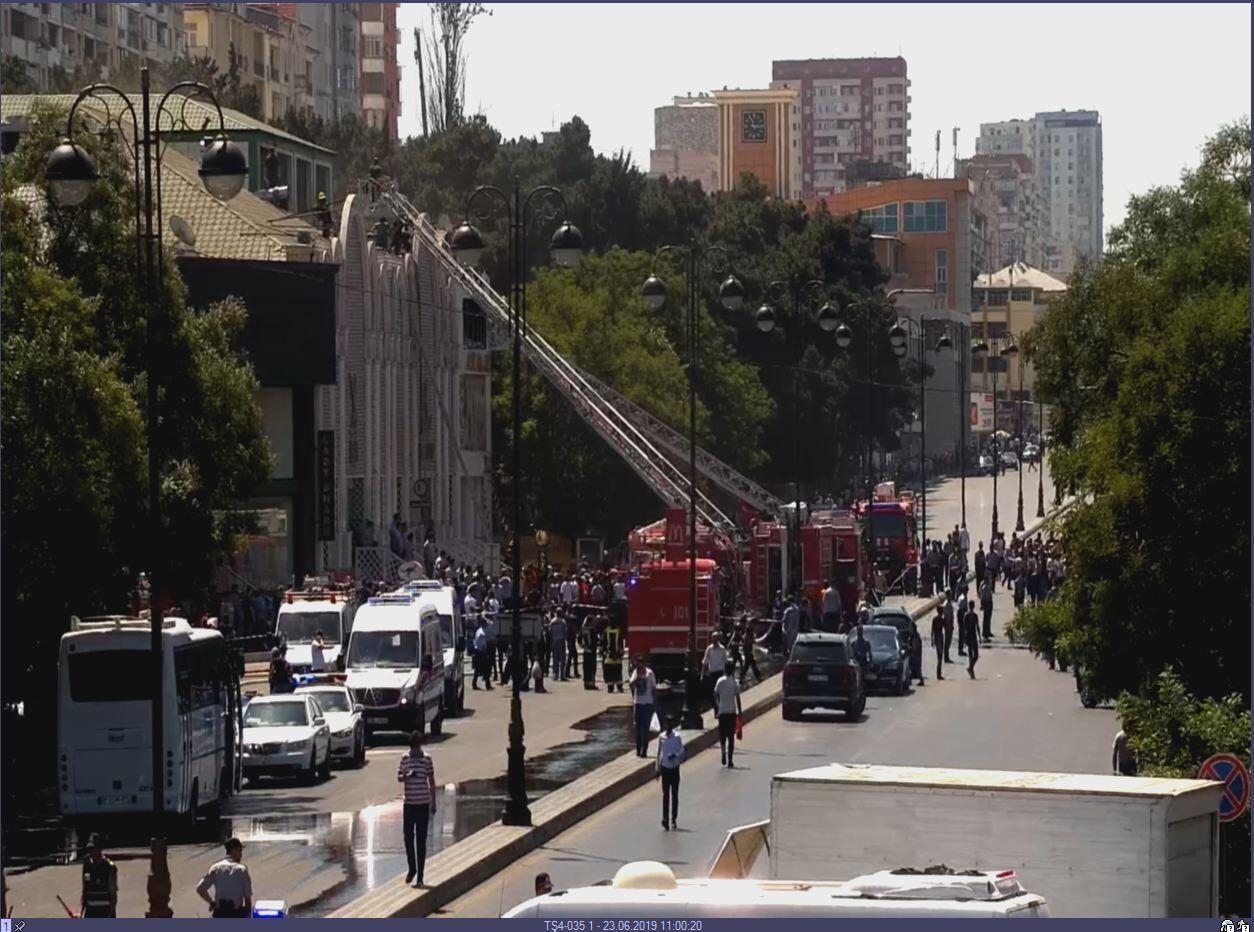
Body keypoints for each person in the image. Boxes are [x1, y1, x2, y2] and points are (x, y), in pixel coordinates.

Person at [397, 731, 437, 887]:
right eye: (412, 749)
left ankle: (420, 876)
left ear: (419, 746)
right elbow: (399, 776)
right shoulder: (405, 758)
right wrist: (406, 776)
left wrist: (433, 802)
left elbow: (432, 781)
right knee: (408, 837)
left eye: (416, 749)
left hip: (422, 804)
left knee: (421, 841)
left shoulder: (427, 759)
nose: (414, 752)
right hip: (409, 805)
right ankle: (412, 867)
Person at [196, 838, 252, 918]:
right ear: (234, 850)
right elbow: (247, 900)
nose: (241, 854)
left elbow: (200, 888)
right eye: (240, 851)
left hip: (220, 913)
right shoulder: (242, 870)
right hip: (236, 914)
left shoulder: (216, 867)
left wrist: (212, 902)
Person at [80, 833, 118, 918]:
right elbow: (85, 890)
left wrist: (111, 914)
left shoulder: (109, 867)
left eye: (94, 849)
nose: (91, 852)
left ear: (100, 849)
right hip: (90, 911)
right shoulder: (87, 866)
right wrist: (81, 913)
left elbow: (113, 894)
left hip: (105, 910)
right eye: (90, 849)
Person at [628, 656, 657, 758]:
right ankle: (638, 749)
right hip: (638, 704)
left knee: (645, 729)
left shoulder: (650, 674)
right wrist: (637, 679)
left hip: (647, 704)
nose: (639, 666)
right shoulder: (635, 673)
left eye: (641, 664)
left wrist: (654, 704)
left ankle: (644, 751)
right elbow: (630, 685)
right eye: (638, 664)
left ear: (644, 664)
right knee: (637, 728)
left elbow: (654, 689)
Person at [701, 632, 728, 703]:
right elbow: (705, 662)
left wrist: (726, 674)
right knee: (713, 691)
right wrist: (702, 674)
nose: (714, 640)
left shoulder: (722, 649)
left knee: (720, 690)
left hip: (720, 672)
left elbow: (725, 661)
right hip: (712, 672)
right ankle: (716, 706)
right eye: (713, 638)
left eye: (716, 638)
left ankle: (721, 704)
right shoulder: (709, 649)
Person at [601, 614, 624, 692]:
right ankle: (618, 687)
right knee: (617, 672)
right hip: (616, 655)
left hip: (610, 655)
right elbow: (621, 643)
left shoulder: (606, 630)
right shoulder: (618, 630)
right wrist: (621, 653)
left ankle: (611, 687)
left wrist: (603, 652)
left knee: (610, 672)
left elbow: (603, 642)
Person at [962, 599, 980, 679]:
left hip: (973, 636)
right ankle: (972, 672)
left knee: (976, 655)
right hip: (969, 636)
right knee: (970, 654)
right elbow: (964, 627)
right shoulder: (966, 615)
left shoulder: (975, 616)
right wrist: (964, 638)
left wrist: (979, 636)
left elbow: (977, 626)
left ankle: (970, 667)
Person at [548, 613, 568, 682]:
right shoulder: (563, 621)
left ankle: (555, 674)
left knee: (555, 658)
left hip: (554, 641)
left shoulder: (552, 621)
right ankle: (562, 675)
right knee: (562, 659)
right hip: (561, 640)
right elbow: (565, 631)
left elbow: (549, 631)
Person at [580, 616, 599, 690]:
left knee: (586, 668)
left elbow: (579, 640)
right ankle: (591, 684)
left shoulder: (583, 629)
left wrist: (584, 646)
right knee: (592, 668)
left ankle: (586, 683)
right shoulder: (593, 630)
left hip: (585, 651)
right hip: (592, 651)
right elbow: (595, 641)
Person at [930, 607, 946, 681]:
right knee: (939, 657)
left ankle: (939, 673)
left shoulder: (939, 619)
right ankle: (938, 674)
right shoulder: (937, 620)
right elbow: (933, 630)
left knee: (940, 656)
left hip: (939, 637)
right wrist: (932, 640)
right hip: (938, 637)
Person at [908, 620, 925, 686]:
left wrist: (910, 649)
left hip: (915, 655)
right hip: (915, 655)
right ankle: (910, 681)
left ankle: (920, 681)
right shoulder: (913, 635)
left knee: (916, 669)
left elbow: (915, 646)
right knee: (913, 669)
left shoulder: (915, 636)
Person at [941, 594, 956, 662]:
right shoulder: (946, 604)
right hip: (948, 624)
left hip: (950, 623)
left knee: (948, 641)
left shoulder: (949, 603)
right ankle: (946, 657)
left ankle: (947, 656)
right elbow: (946, 616)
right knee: (947, 641)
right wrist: (948, 625)